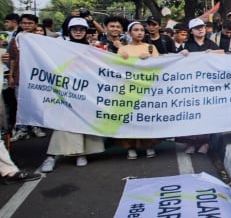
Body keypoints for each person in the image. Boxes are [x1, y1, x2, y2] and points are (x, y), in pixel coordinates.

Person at [41, 18, 105, 172]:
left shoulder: (92, 49)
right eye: (75, 29)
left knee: (84, 122)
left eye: (81, 29)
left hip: (86, 91)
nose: (78, 32)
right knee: (63, 125)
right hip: (66, 91)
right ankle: (51, 156)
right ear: (69, 31)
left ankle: (81, 154)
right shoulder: (61, 47)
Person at [116, 21, 160, 159]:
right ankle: (130, 147)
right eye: (136, 30)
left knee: (146, 117)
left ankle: (149, 145)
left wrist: (149, 60)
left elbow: (160, 67)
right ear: (130, 33)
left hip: (147, 89)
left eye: (142, 30)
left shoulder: (151, 48)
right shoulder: (123, 50)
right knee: (130, 119)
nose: (140, 32)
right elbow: (118, 69)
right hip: (129, 89)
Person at [176, 18, 220, 154]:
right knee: (192, 115)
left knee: (206, 114)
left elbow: (223, 57)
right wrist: (181, 55)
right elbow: (177, 63)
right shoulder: (186, 46)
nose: (201, 29)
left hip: (208, 86)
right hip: (192, 87)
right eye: (197, 28)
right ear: (191, 31)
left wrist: (213, 54)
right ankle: (191, 143)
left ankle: (205, 143)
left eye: (202, 27)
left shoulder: (211, 44)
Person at [8, 14, 47, 141]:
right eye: (24, 23)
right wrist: (11, 75)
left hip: (36, 77)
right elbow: (13, 59)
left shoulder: (41, 40)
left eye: (30, 23)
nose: (27, 25)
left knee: (36, 102)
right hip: (20, 76)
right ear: (20, 24)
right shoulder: (16, 39)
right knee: (20, 103)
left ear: (36, 25)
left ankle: (36, 126)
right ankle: (22, 129)